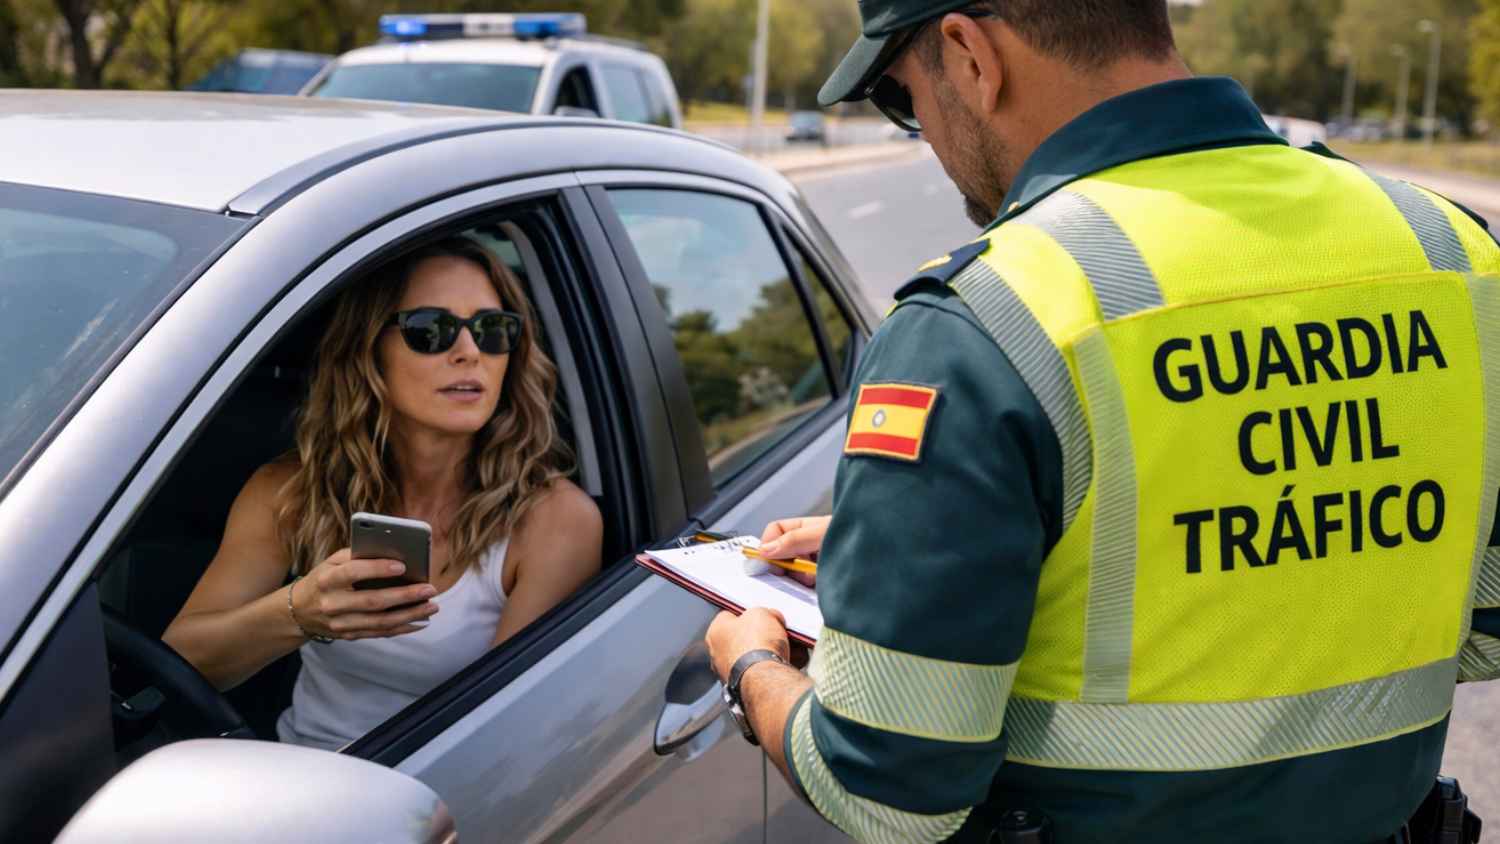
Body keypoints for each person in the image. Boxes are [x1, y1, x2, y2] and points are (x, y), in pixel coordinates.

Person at [705, 2, 1500, 841]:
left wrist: (750, 666)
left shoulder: (983, 321)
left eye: (904, 101)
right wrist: (978, 548)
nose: (927, 139)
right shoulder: (1451, 252)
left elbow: (889, 788)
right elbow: (1477, 623)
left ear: (969, 54)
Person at [163, 236, 602, 750]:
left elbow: (497, 735)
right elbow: (183, 660)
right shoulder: (289, 492)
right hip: (291, 782)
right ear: (367, 350)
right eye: (431, 330)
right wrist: (299, 613)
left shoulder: (553, 520)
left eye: (491, 330)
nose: (469, 353)